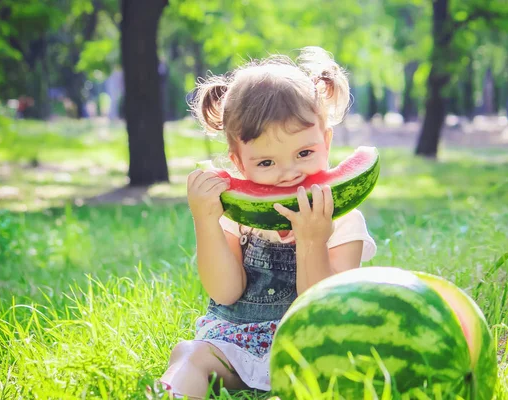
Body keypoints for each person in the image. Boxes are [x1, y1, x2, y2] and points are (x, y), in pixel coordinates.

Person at [160, 47, 377, 398]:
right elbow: (225, 292)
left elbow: (325, 310)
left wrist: (312, 242)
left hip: (312, 347)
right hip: (237, 342)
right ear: (238, 162)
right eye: (265, 163)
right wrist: (206, 221)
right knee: (189, 354)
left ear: (326, 141)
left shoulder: (345, 221)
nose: (289, 173)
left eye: (303, 153)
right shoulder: (239, 216)